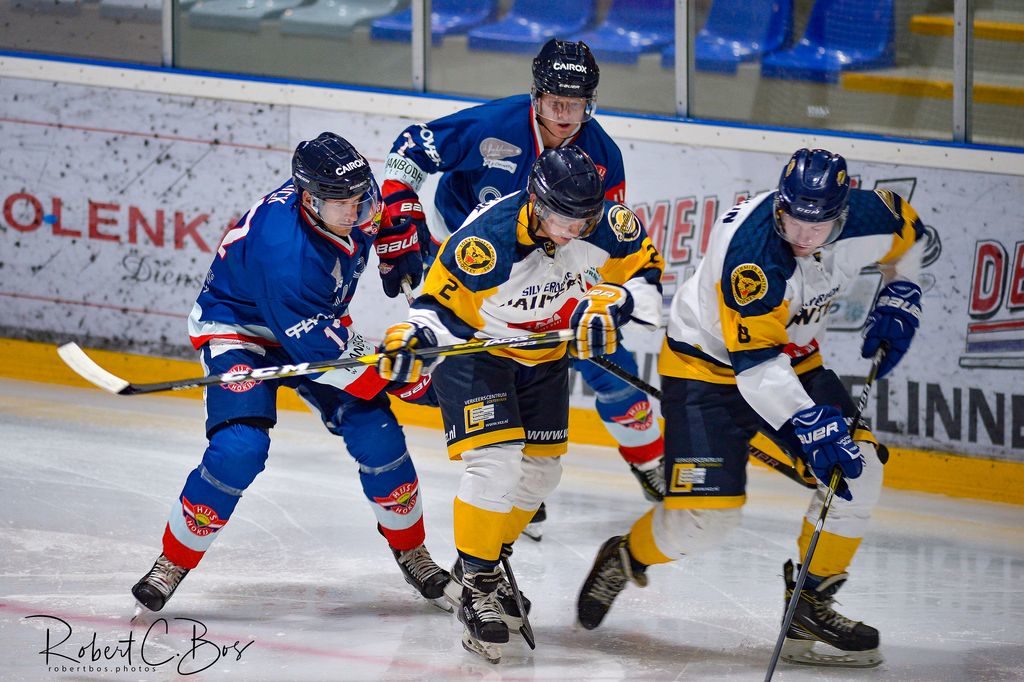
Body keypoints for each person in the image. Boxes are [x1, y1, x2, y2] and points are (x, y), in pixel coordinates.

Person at [576, 148, 926, 668]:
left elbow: (914, 237)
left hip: (795, 362)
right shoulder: (754, 253)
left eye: (819, 223)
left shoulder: (874, 214)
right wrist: (810, 424)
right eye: (792, 218)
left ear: (843, 212)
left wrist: (902, 289)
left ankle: (811, 603)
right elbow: (756, 368)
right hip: (704, 370)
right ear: (780, 204)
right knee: (704, 521)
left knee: (861, 470)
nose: (803, 235)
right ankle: (626, 556)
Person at [130, 132, 450, 616]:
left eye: (360, 198)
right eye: (341, 202)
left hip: (311, 324)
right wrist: (408, 378)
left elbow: (390, 225)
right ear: (308, 198)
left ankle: (412, 550)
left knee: (379, 435)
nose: (355, 210)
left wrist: (408, 245)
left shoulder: (355, 196)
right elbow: (328, 352)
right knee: (240, 448)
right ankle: (173, 561)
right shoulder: (286, 254)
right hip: (243, 331)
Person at [376, 146, 664, 663]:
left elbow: (648, 285)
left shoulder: (608, 225)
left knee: (541, 473)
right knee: (495, 464)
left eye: (584, 220)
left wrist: (615, 304)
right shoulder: (486, 240)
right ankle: (479, 588)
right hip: (478, 352)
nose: (572, 231)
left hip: (543, 353)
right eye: (560, 217)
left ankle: (482, 560)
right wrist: (410, 337)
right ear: (535, 200)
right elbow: (438, 311)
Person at [381, 40, 666, 538]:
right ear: (535, 97)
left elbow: (604, 239)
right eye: (556, 103)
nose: (566, 116)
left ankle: (649, 463)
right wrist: (398, 210)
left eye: (577, 105)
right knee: (477, 360)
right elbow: (412, 147)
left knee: (605, 364)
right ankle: (500, 471)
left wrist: (596, 305)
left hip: (556, 268)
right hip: (479, 265)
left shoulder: (602, 154)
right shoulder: (495, 125)